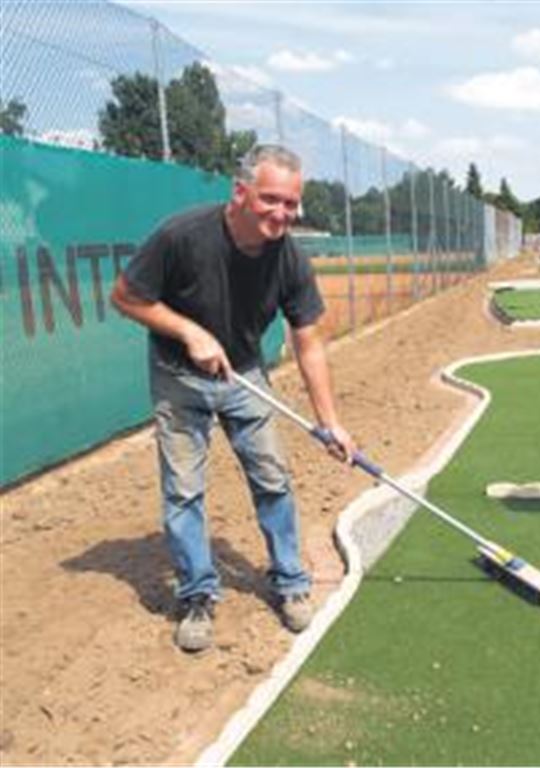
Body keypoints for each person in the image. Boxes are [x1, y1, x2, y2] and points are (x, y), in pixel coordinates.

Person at [110, 144, 358, 652]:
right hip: (178, 376)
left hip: (244, 375)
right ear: (240, 192)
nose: (282, 213)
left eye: (291, 204)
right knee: (183, 490)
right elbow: (125, 297)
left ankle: (290, 582)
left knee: (272, 478)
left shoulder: (289, 257)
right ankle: (198, 593)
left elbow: (309, 342)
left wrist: (330, 421)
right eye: (271, 199)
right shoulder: (182, 236)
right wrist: (187, 332)